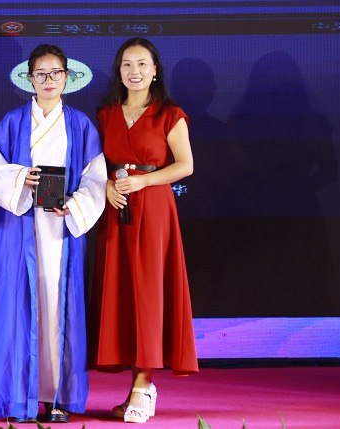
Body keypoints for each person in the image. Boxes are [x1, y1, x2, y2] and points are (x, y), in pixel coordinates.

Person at [0, 44, 107, 423]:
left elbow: (96, 177)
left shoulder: (81, 124)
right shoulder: (14, 121)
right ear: (29, 79)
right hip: (21, 228)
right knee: (17, 309)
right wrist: (22, 176)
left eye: (56, 73)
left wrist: (75, 205)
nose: (49, 80)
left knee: (58, 309)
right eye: (41, 74)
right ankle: (18, 399)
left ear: (67, 77)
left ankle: (57, 398)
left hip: (62, 230)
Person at [93, 37, 198, 424]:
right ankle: (137, 384)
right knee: (123, 293)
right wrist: (107, 184)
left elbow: (185, 165)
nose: (134, 71)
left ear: (155, 71)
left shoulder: (170, 113)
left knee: (150, 293)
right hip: (117, 210)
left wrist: (143, 182)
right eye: (127, 64)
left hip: (153, 211)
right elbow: (99, 164)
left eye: (142, 64)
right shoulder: (106, 113)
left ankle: (144, 384)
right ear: (118, 71)